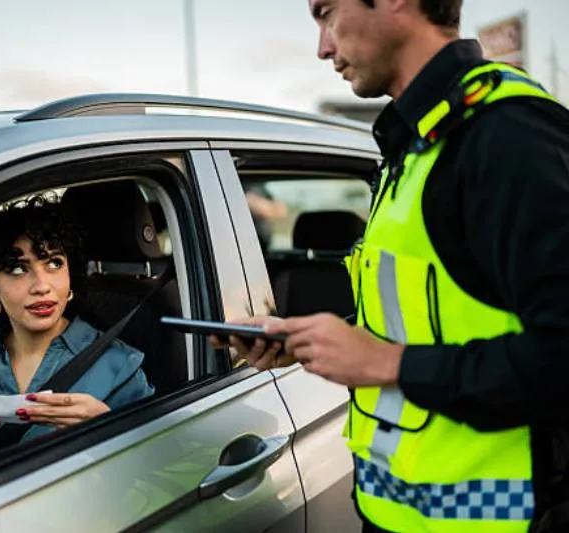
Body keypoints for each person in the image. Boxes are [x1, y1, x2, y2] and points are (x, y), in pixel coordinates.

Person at [215, 0, 569, 532]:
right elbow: (435, 320)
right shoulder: (416, 143)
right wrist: (314, 343)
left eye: (327, 13)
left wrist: (388, 364)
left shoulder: (506, 135)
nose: (322, 47)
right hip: (400, 516)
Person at [0, 194, 155, 467]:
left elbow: (152, 470)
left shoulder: (119, 366)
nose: (41, 285)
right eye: (18, 269)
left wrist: (109, 431)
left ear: (70, 277)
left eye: (54, 263)